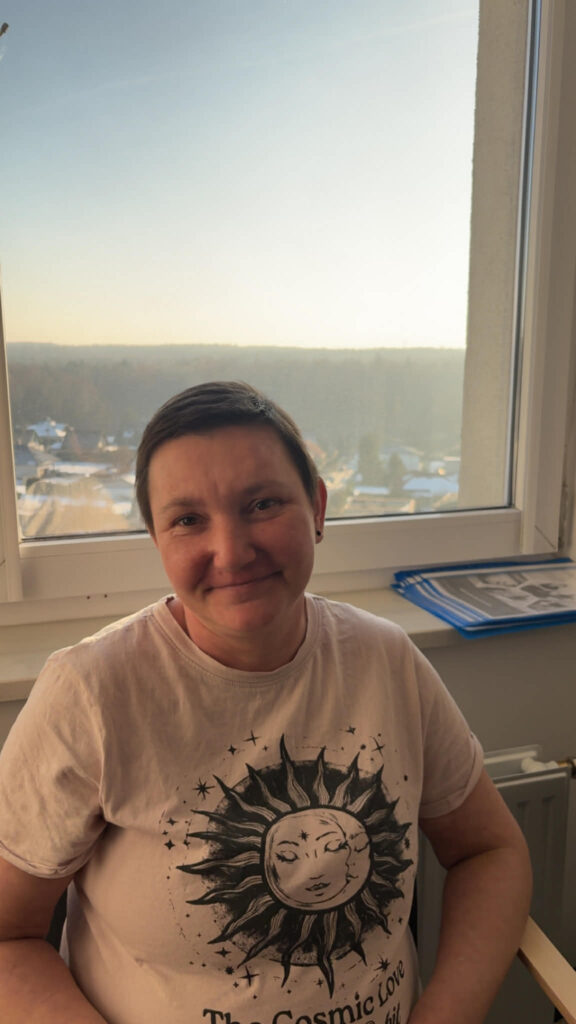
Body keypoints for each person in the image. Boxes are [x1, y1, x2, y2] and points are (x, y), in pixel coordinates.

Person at [0, 381, 531, 1024]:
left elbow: (489, 852)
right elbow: (8, 936)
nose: (232, 552)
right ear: (158, 539)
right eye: (188, 519)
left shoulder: (385, 660)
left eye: (262, 503)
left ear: (317, 508)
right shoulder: (90, 693)